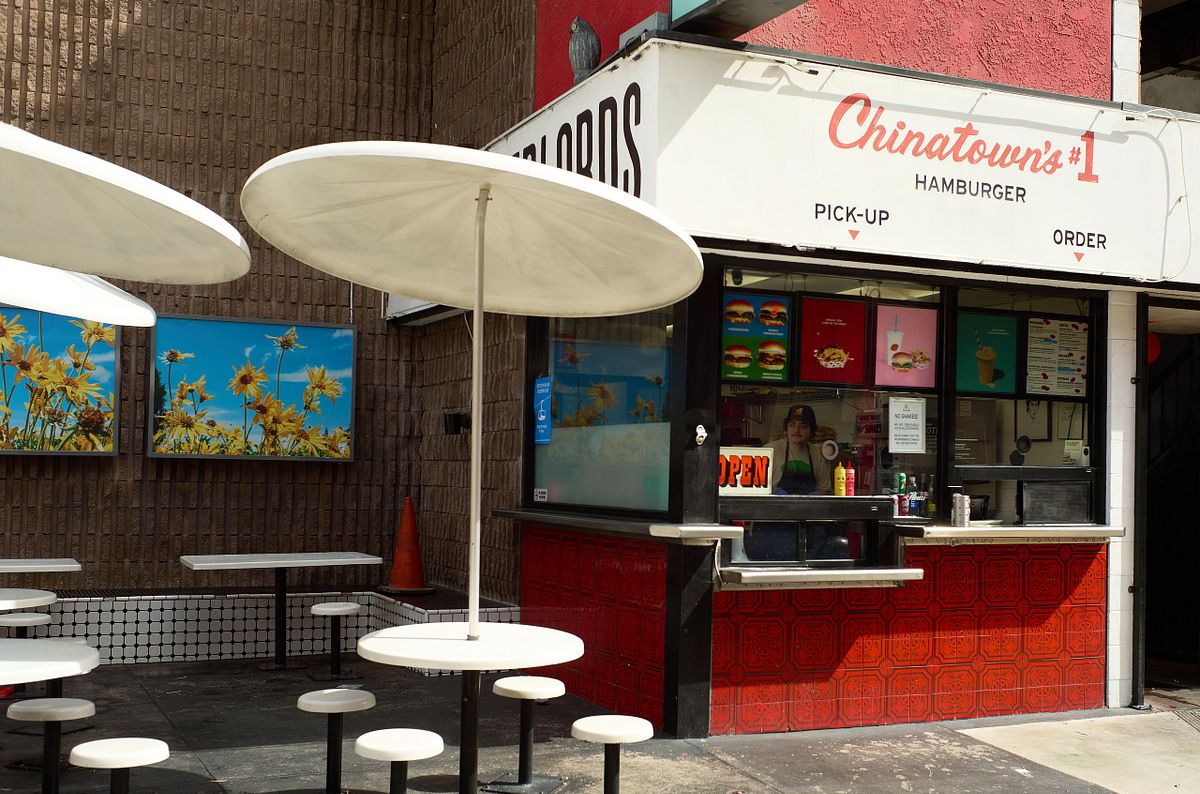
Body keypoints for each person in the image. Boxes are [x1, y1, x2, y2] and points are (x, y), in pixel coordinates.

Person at [766, 404, 833, 495]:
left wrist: (811, 498)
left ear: (811, 430)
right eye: (792, 425)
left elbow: (825, 490)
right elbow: (756, 489)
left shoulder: (817, 454)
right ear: (786, 428)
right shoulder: (770, 451)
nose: (796, 430)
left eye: (803, 426)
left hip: (809, 508)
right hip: (776, 508)